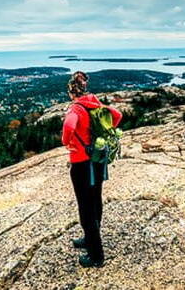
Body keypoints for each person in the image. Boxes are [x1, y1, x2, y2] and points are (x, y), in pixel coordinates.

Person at [61, 70, 122, 267]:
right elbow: (117, 115)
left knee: (85, 208)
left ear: (72, 92)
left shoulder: (75, 108)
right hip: (97, 160)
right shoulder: (94, 102)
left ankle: (96, 255)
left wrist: (66, 141)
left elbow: (69, 127)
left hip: (81, 163)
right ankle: (89, 238)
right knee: (95, 200)